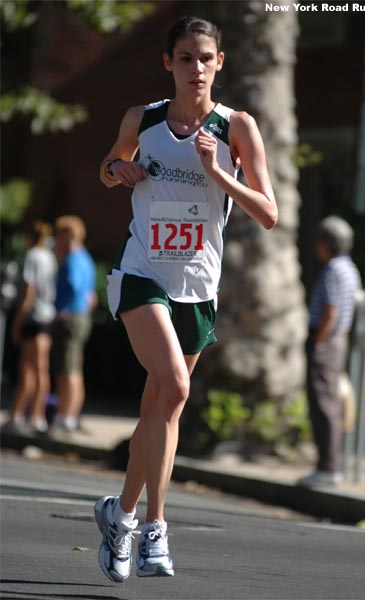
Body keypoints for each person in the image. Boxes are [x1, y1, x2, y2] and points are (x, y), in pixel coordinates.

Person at [95, 15, 278, 583]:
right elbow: (107, 167)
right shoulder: (142, 119)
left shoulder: (236, 128)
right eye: (184, 58)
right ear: (167, 63)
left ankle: (118, 514)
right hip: (143, 273)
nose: (194, 68)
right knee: (175, 385)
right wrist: (118, 170)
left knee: (159, 408)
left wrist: (219, 174)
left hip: (197, 286)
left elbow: (269, 213)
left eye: (205, 58)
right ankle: (154, 528)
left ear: (219, 62)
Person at [299, 216, 361, 488]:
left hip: (327, 341)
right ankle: (330, 465)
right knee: (331, 402)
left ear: (327, 243)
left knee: (324, 403)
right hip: (339, 340)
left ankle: (328, 466)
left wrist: (318, 341)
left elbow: (330, 311)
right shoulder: (349, 268)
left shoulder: (333, 270)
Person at [6, 221, 57, 434]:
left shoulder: (32, 256)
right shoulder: (49, 256)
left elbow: (29, 290)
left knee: (26, 368)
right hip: (47, 315)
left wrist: (17, 322)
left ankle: (17, 415)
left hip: (33, 317)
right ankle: (37, 416)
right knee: (41, 369)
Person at [50, 215, 97, 434]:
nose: (57, 239)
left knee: (67, 369)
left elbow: (73, 285)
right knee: (74, 367)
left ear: (69, 235)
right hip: (82, 316)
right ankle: (69, 415)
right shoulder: (86, 257)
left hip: (70, 318)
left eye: (59, 234)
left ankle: (65, 416)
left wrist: (62, 309)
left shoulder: (72, 259)